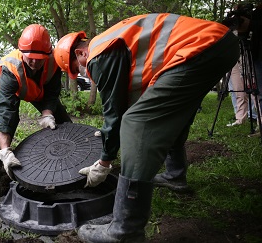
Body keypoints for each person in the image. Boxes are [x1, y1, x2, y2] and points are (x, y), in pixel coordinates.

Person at [54, 13, 239, 242]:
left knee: (136, 122)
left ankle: (125, 229)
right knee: (170, 114)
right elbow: (132, 99)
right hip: (220, 43)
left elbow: (116, 114)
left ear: (80, 53)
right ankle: (175, 175)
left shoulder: (98, 54)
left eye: (78, 67)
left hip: (200, 48)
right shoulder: (112, 41)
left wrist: (104, 162)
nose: (83, 72)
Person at [0, 24, 72, 180]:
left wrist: (47, 113)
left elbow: (52, 93)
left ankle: (69, 154)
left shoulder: (54, 62)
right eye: (30, 57)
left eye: (39, 59)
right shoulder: (10, 68)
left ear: (48, 53)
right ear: (21, 52)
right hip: (14, 89)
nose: (34, 62)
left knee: (62, 120)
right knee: (8, 119)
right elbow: (6, 110)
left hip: (39, 91)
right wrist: (5, 150)